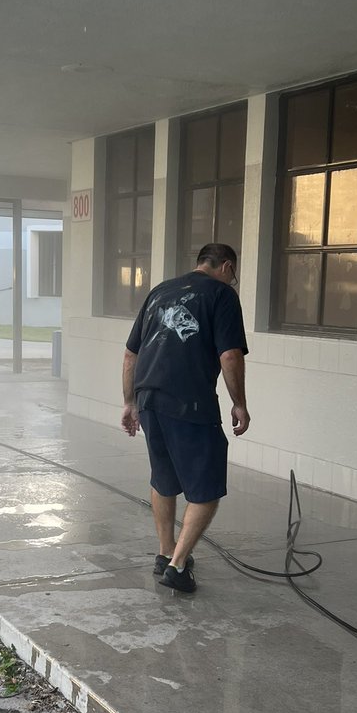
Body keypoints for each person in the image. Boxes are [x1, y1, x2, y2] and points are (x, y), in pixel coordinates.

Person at [121, 243, 250, 594]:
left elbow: (131, 354)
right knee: (206, 488)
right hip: (189, 402)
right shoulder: (221, 295)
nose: (233, 280)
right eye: (233, 274)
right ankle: (177, 567)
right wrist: (239, 403)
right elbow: (230, 355)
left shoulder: (160, 291)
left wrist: (130, 402)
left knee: (164, 478)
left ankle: (165, 554)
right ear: (225, 266)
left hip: (148, 398)